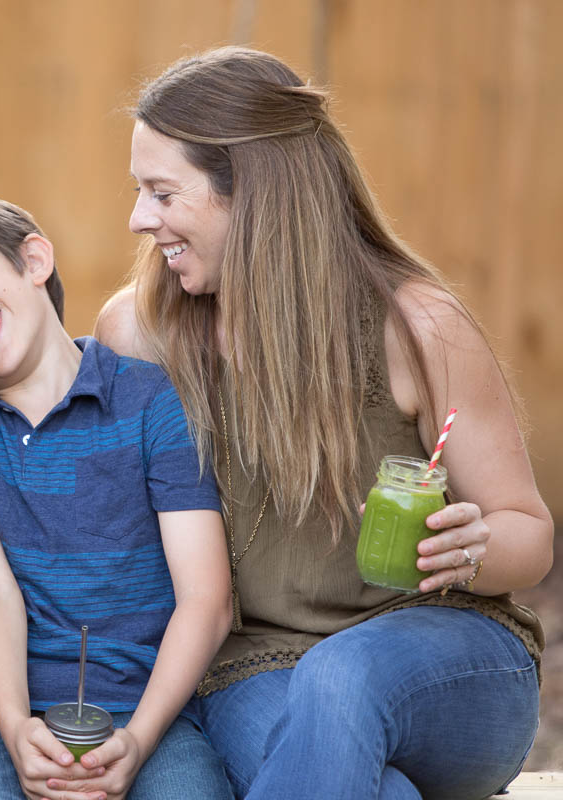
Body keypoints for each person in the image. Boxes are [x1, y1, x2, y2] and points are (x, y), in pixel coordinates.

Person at [95, 47, 551, 800]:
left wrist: (471, 547)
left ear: (255, 195)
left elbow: (527, 535)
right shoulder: (141, 336)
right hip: (256, 665)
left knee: (345, 674)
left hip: (453, 664)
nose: (139, 219)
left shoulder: (416, 328)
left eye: (162, 193)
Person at [0, 195, 234, 800]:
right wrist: (17, 729)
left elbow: (206, 599)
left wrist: (140, 739)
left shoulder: (152, 399)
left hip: (146, 698)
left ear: (34, 259)